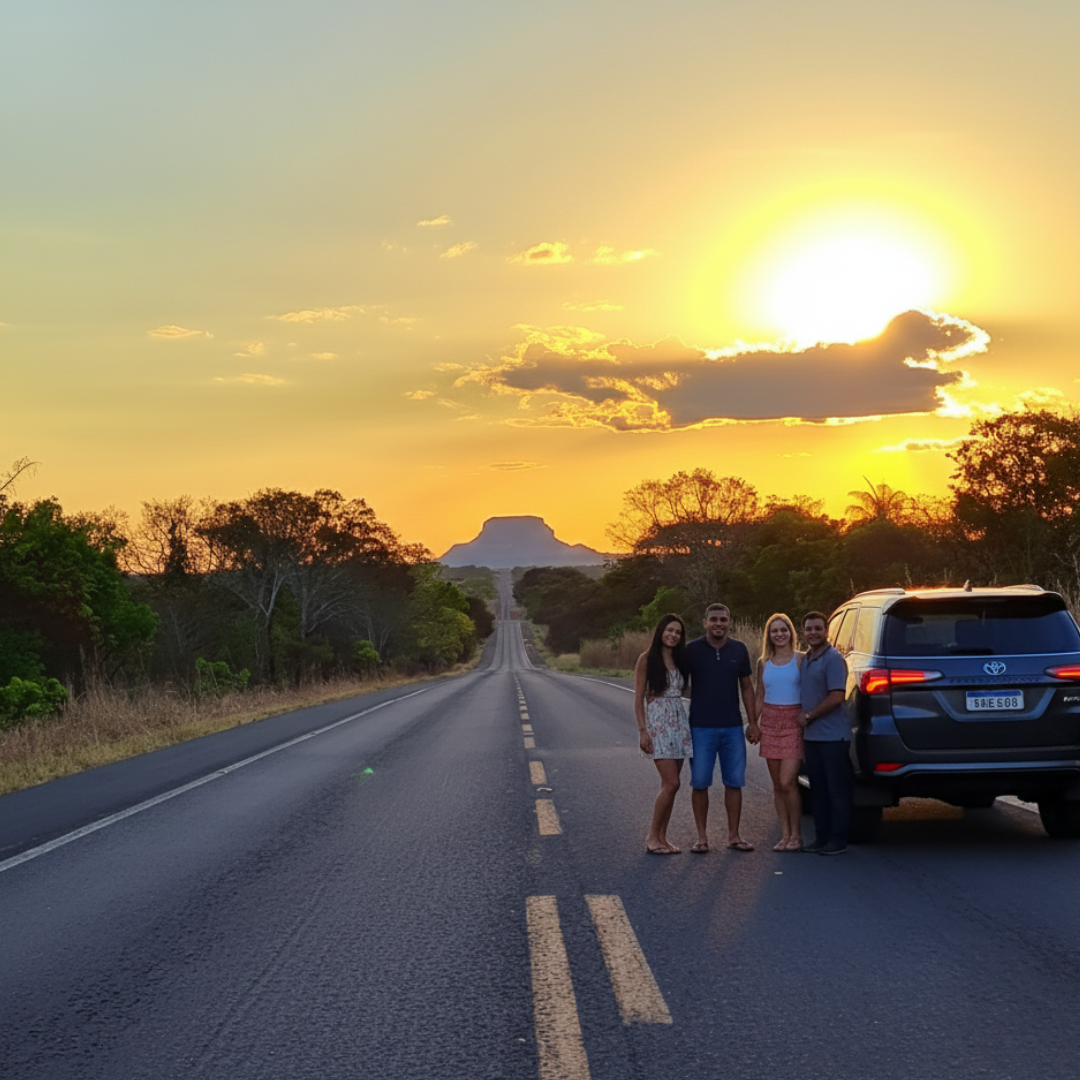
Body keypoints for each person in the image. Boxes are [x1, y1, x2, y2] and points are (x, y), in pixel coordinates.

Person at [686, 603, 756, 853]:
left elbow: (747, 687)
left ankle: (734, 836)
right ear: (705, 622)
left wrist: (753, 721)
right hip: (700, 727)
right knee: (700, 782)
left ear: (729, 622)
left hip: (732, 727)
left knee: (734, 782)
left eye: (723, 619)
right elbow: (678, 681)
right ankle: (701, 838)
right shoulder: (692, 650)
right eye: (714, 619)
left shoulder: (739, 649)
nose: (718, 624)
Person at [634, 614, 693, 854]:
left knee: (669, 786)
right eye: (670, 630)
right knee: (672, 783)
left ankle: (662, 838)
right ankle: (651, 837)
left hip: (679, 722)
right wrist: (642, 731)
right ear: (661, 631)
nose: (673, 635)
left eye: (678, 632)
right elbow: (638, 697)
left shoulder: (680, 658)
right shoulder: (646, 659)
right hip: (658, 724)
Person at [749, 613, 806, 851]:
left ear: (791, 632)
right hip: (770, 722)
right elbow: (760, 695)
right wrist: (754, 723)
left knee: (788, 781)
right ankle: (784, 835)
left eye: (784, 630)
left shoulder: (802, 659)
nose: (779, 634)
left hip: (794, 721)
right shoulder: (763, 662)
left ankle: (796, 835)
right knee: (776, 784)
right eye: (775, 631)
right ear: (769, 635)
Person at [799, 611, 851, 855]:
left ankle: (838, 839)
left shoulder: (833, 659)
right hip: (812, 738)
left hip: (833, 737)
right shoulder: (807, 659)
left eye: (817, 628)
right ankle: (821, 838)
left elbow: (837, 696)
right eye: (808, 629)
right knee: (817, 790)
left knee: (836, 791)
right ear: (803, 632)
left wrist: (809, 716)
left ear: (827, 631)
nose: (813, 633)